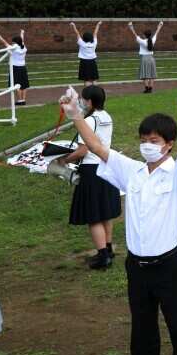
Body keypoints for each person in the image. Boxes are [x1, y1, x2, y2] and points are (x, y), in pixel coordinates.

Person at [61, 84, 177, 355]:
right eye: (143, 139)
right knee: (142, 333)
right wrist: (76, 115)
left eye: (154, 141)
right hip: (137, 267)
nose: (147, 145)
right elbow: (95, 146)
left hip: (169, 265)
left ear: (167, 143)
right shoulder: (131, 170)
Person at [59, 86, 121, 269]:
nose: (81, 103)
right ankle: (108, 249)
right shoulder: (107, 116)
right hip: (107, 166)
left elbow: (83, 150)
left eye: (83, 100)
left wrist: (63, 160)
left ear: (90, 102)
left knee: (93, 216)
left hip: (91, 171)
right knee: (106, 212)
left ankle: (103, 256)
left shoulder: (89, 121)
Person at [0, 29, 29, 106]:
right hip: (23, 67)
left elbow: (4, 42)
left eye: (13, 42)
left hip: (15, 68)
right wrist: (22, 33)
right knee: (24, 84)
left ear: (15, 42)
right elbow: (22, 40)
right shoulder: (24, 47)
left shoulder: (14, 47)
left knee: (16, 84)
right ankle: (23, 100)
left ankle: (19, 100)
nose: (12, 43)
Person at [131, 21, 164, 94]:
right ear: (150, 35)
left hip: (144, 58)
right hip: (151, 58)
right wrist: (160, 25)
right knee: (152, 74)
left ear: (144, 35)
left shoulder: (142, 41)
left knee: (145, 74)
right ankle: (150, 88)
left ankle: (146, 89)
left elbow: (135, 34)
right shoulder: (152, 40)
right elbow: (157, 32)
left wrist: (131, 27)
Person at [71, 21, 102, 86]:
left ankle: (87, 93)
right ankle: (95, 91)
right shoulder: (94, 43)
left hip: (84, 62)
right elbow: (95, 33)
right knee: (94, 78)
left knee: (86, 79)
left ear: (84, 38)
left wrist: (73, 26)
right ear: (91, 38)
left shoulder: (82, 43)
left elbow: (77, 33)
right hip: (93, 62)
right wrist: (98, 24)